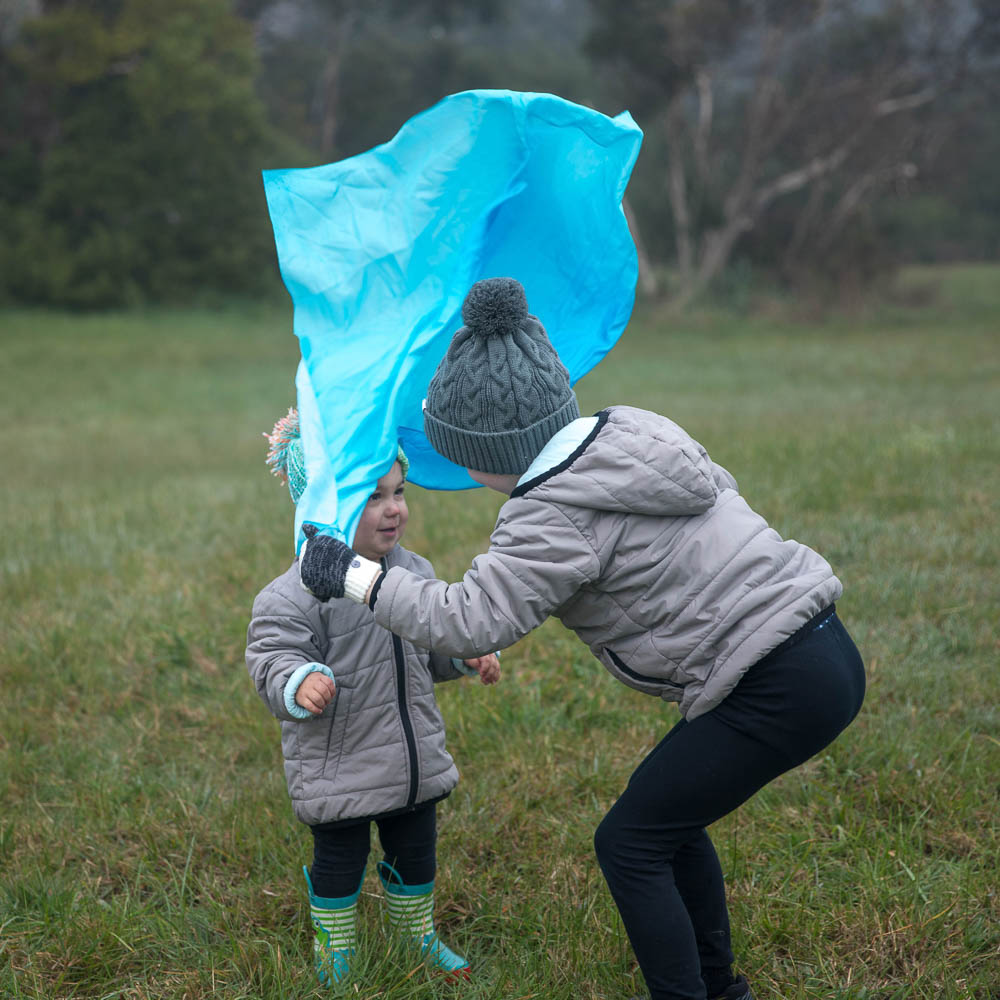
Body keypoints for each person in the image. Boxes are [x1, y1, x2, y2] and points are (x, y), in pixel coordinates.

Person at [296, 277, 867, 1000]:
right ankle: (719, 989)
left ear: (491, 452)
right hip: (824, 647)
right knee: (667, 823)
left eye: (460, 455)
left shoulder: (551, 512)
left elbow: (470, 618)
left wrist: (354, 577)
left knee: (630, 844)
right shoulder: (635, 431)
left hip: (772, 684)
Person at [245, 410, 500, 987]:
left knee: (415, 851)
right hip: (340, 762)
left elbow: (430, 645)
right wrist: (296, 679)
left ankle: (418, 934)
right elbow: (269, 656)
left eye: (399, 492)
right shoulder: (296, 593)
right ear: (326, 510)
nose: (395, 509)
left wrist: (463, 654)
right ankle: (336, 949)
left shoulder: (413, 572)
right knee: (340, 861)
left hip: (409, 759)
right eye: (373, 497)